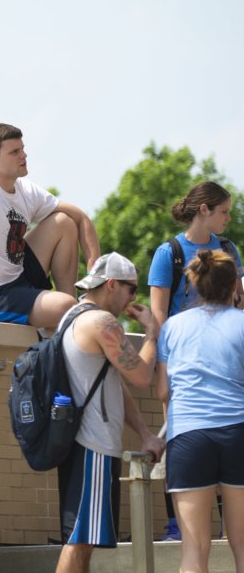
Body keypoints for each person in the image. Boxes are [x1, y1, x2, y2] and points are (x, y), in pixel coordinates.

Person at [54, 253, 165, 573]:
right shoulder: (101, 323)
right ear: (112, 284)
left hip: (80, 441)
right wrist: (151, 333)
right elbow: (143, 376)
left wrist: (144, 433)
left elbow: (112, 384)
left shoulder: (72, 316)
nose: (133, 298)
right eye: (131, 290)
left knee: (83, 542)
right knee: (78, 542)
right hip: (93, 445)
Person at [147, 181, 244, 541]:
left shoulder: (228, 249)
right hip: (181, 359)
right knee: (180, 438)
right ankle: (177, 524)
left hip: (224, 355)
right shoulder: (169, 252)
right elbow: (159, 313)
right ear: (204, 210)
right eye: (224, 211)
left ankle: (221, 526)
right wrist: (162, 364)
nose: (229, 219)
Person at [0, 123, 100, 328]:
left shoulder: (26, 189)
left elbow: (80, 217)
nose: (23, 155)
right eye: (14, 152)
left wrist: (95, 270)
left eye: (23, 149)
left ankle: (72, 311)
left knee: (64, 222)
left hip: (19, 277)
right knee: (63, 306)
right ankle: (70, 313)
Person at [156, 249, 244, 573]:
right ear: (236, 284)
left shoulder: (172, 327)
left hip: (189, 436)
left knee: (194, 550)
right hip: (238, 432)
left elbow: (163, 390)